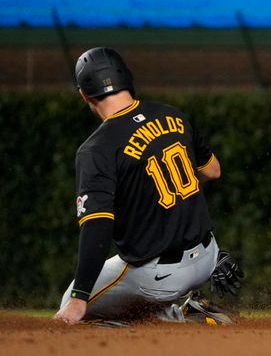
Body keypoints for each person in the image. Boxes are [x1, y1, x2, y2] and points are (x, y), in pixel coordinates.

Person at [54, 47, 243, 326]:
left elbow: (97, 227)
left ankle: (175, 320)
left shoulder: (96, 149)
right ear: (127, 80)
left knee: (71, 307)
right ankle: (195, 311)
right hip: (208, 256)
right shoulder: (172, 116)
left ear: (84, 94)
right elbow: (212, 171)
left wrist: (80, 299)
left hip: (156, 277)